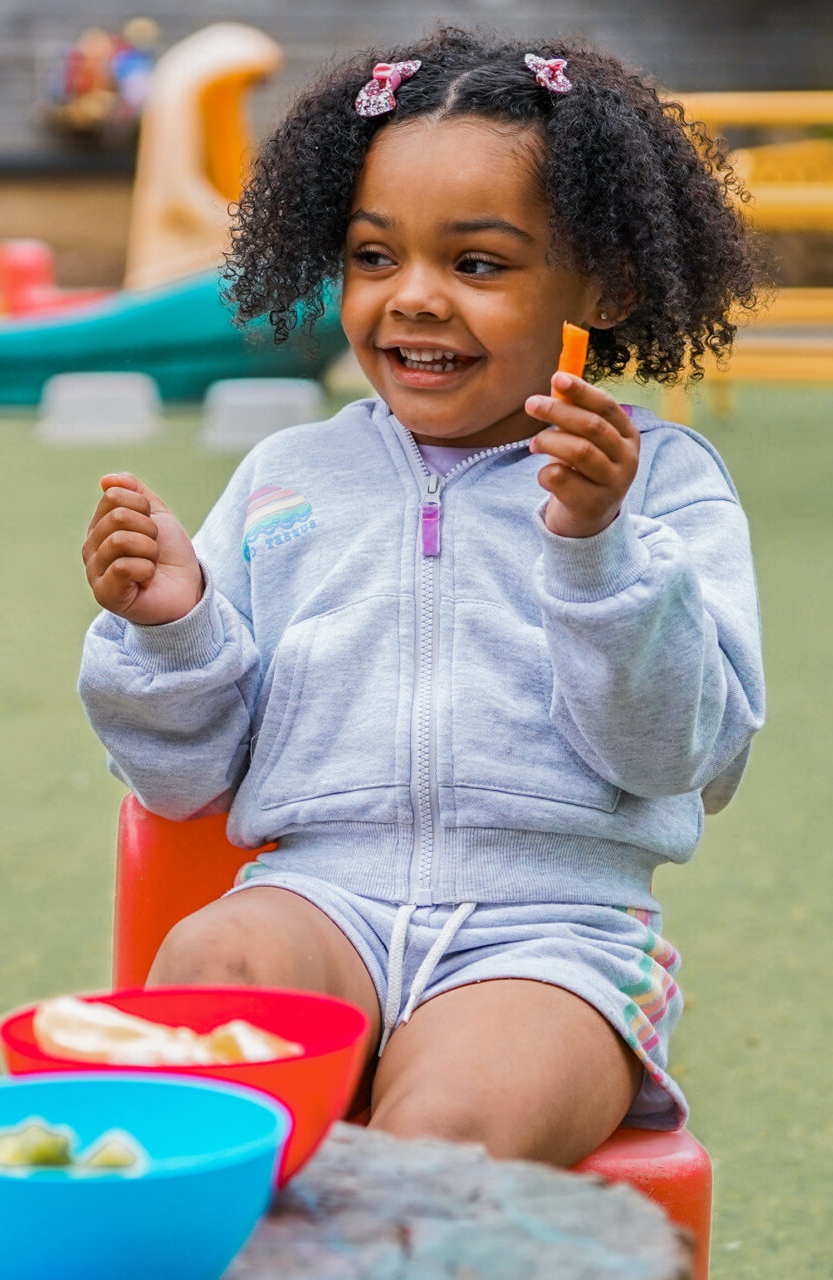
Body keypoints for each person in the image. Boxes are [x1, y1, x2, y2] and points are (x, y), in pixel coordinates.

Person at [77, 27, 765, 1167]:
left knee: (440, 1134)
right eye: (373, 256)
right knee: (206, 975)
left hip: (552, 944)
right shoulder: (287, 478)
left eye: (479, 263)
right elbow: (181, 776)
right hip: (318, 901)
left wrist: (597, 549)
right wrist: (174, 627)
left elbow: (686, 756)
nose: (415, 301)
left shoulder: (663, 487)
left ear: (607, 279)